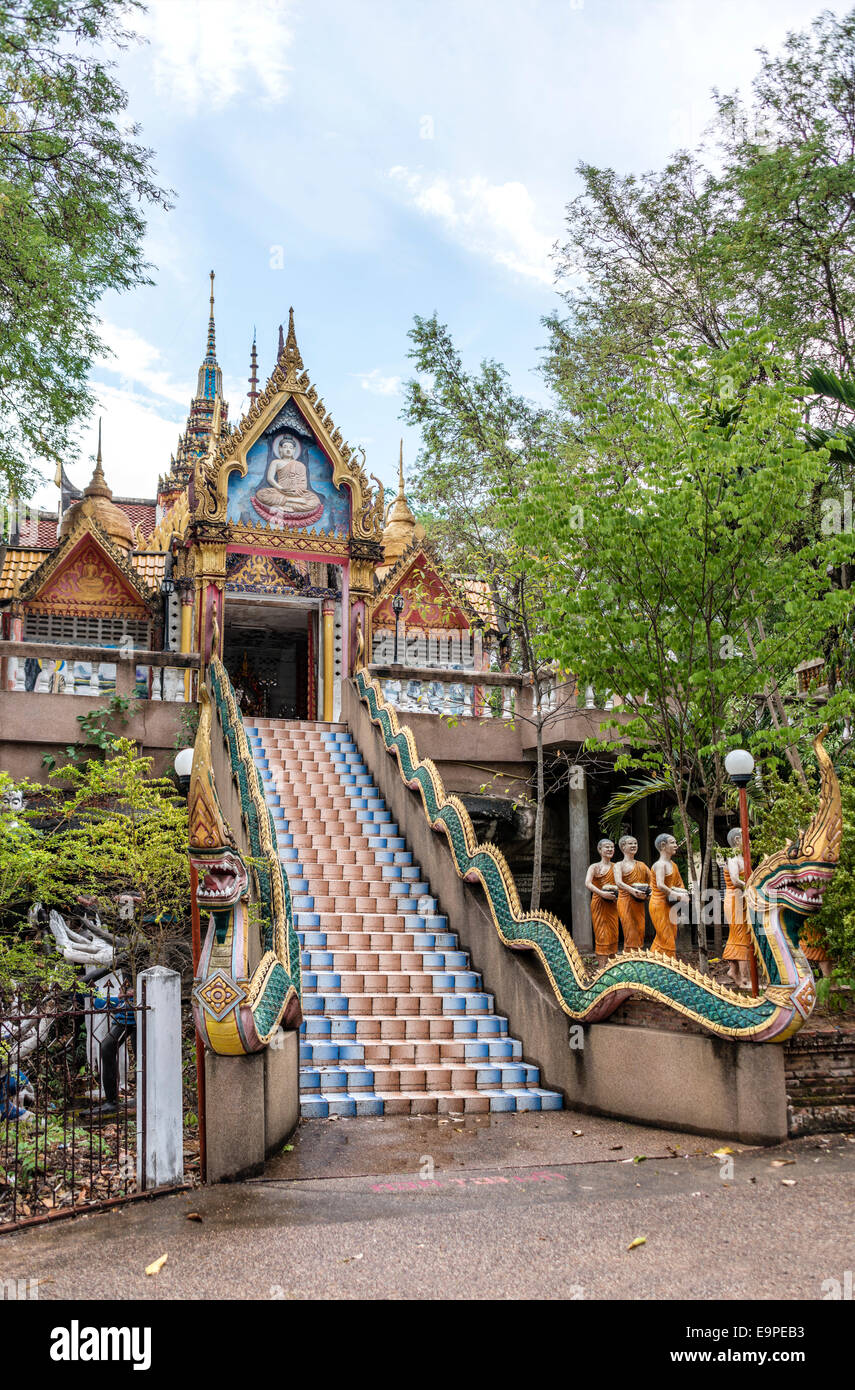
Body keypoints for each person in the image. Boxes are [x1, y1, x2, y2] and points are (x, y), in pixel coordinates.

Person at [253, 432, 323, 523]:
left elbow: (303, 483)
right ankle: (291, 501)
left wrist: (296, 491)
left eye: (290, 448)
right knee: (261, 494)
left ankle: (286, 503)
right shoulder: (276, 462)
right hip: (280, 491)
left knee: (315, 501)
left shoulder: (300, 465)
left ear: (294, 450)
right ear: (280, 449)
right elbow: (270, 478)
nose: (288, 450)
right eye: (285, 447)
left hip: (297, 493)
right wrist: (280, 488)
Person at [649, 832, 690, 957]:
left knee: (670, 935)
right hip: (659, 904)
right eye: (673, 843)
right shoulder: (659, 865)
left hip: (670, 904)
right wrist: (677, 895)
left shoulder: (673, 865)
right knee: (666, 938)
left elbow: (679, 885)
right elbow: (660, 885)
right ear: (663, 846)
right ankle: (664, 968)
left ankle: (654, 965)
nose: (676, 845)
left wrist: (683, 896)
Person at [722, 827, 753, 989]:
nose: (748, 840)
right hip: (734, 899)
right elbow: (735, 880)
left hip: (743, 899)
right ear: (736, 840)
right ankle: (745, 979)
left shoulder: (743, 859)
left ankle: (734, 972)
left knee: (741, 935)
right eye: (745, 837)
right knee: (741, 936)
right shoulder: (733, 859)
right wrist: (751, 885)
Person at [613, 834, 650, 949]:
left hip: (639, 903)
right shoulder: (619, 865)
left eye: (635, 843)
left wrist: (650, 893)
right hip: (625, 902)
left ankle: (637, 960)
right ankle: (629, 961)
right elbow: (618, 882)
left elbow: (652, 881)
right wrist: (632, 891)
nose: (634, 845)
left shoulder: (642, 865)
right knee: (630, 931)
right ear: (623, 847)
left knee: (640, 931)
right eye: (631, 843)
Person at [585, 838, 620, 958]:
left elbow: (621, 884)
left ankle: (612, 971)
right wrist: (602, 893)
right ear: (600, 850)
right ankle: (601, 970)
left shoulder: (616, 867)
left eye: (612, 847)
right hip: (599, 903)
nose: (610, 849)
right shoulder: (594, 867)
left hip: (613, 904)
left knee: (614, 934)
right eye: (607, 847)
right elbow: (588, 883)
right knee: (602, 935)